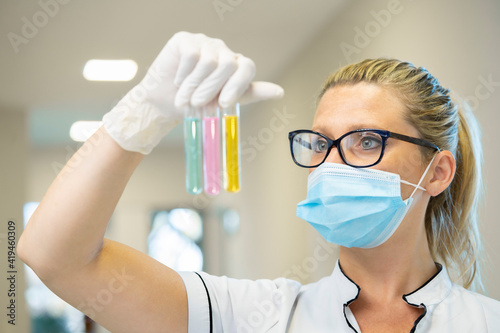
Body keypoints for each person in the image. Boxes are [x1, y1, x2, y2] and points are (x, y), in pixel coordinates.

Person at [18, 31, 500, 332]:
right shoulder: (253, 315)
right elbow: (53, 254)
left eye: (365, 141)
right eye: (320, 142)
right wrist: (144, 110)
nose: (331, 164)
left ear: (437, 172)